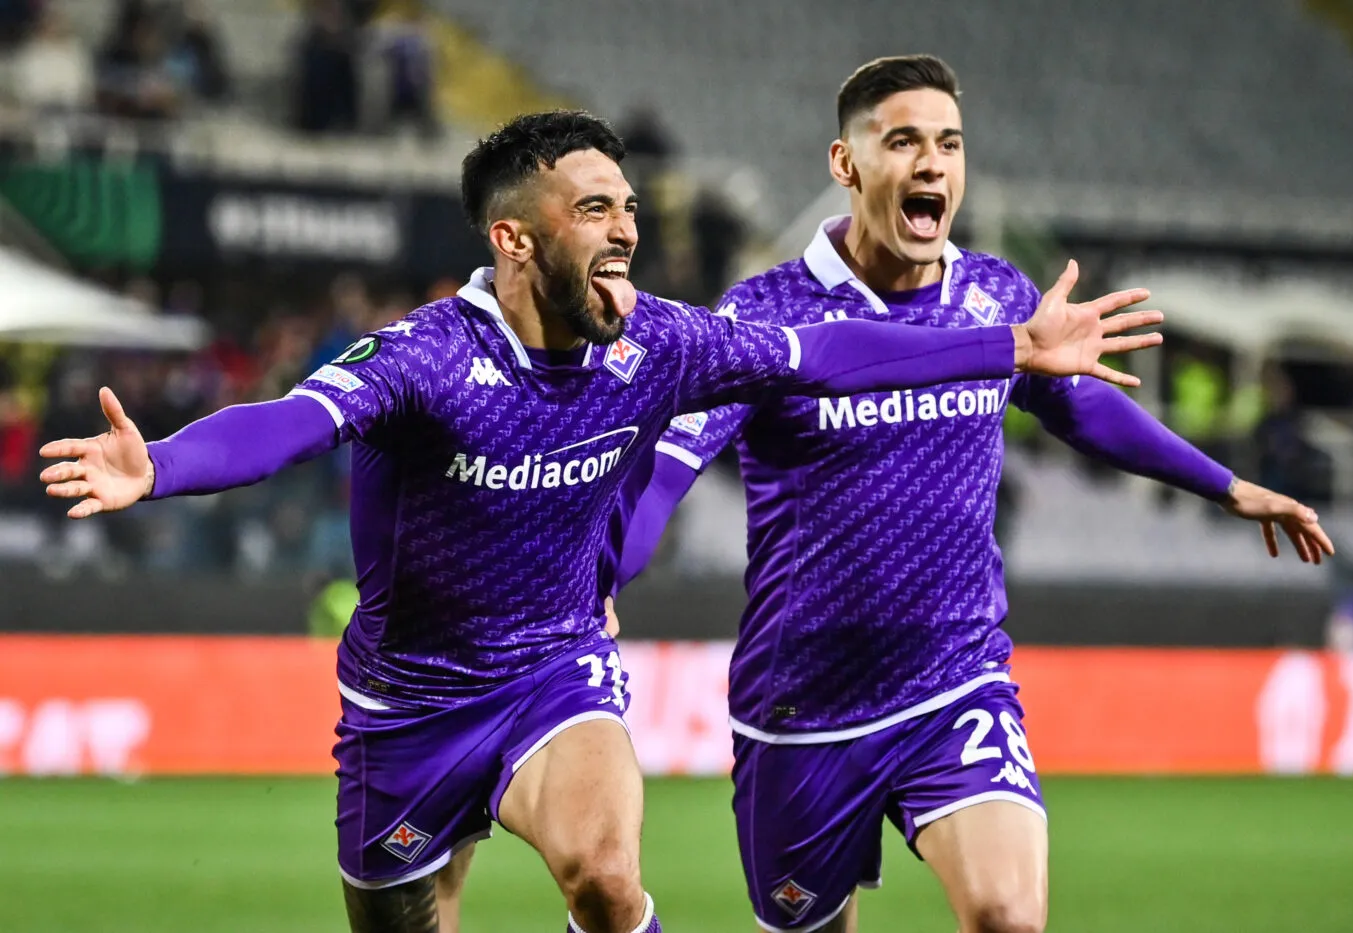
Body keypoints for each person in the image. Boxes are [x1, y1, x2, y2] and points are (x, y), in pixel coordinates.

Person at [40, 109, 1162, 933]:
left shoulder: (657, 341)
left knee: (606, 879)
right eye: (593, 210)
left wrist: (1006, 346)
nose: (624, 227)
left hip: (557, 674)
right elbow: (290, 423)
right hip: (407, 708)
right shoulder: (431, 356)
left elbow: (824, 357)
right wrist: (168, 465)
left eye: (625, 206)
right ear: (515, 242)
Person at [609, 57, 1335, 933]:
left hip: (955, 681)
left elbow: (1083, 409)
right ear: (845, 164)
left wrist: (1224, 485)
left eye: (949, 144)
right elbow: (668, 466)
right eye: (904, 141)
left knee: (1007, 914)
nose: (933, 164)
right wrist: (607, 575)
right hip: (800, 705)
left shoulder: (993, 293)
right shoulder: (763, 316)